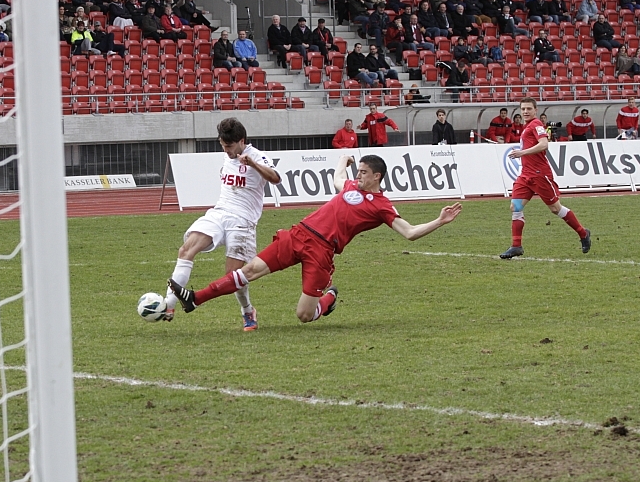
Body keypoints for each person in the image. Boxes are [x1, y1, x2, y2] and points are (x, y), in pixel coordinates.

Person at [168, 154, 462, 324]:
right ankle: (195, 299)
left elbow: (409, 233)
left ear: (377, 176)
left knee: (304, 315)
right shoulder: (351, 185)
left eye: (363, 173)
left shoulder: (382, 206)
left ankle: (329, 298)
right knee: (250, 270)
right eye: (358, 171)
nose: (358, 176)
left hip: (322, 252)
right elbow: (337, 180)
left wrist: (439, 220)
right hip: (300, 233)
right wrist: (342, 161)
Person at [161, 119, 281, 331]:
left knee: (233, 276)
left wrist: (252, 164)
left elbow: (276, 178)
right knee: (186, 249)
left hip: (243, 221)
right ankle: (168, 304)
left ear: (241, 141)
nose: (226, 150)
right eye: (223, 145)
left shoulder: (256, 156)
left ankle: (247, 310)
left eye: (229, 146)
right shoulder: (228, 156)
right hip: (219, 213)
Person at [500, 98, 591, 259]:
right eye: (523, 109)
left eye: (529, 108)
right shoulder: (527, 127)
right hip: (526, 175)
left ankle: (583, 233)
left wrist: (522, 153)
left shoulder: (536, 124)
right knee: (515, 207)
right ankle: (516, 246)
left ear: (535, 110)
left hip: (539, 174)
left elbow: (544, 144)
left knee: (555, 209)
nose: (525, 111)